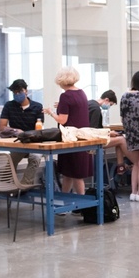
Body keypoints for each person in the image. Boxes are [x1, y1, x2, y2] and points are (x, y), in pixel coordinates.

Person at [43, 66, 93, 198]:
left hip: (69, 139)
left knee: (72, 174)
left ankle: (80, 205)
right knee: (71, 174)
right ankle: (66, 201)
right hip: (82, 137)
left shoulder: (65, 96)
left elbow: (62, 120)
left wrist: (51, 113)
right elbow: (76, 110)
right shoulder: (82, 93)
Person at [0, 78, 44, 185]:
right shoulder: (9, 106)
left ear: (26, 91)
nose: (17, 94)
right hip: (19, 142)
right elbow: (2, 127)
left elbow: (39, 129)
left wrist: (27, 134)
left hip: (34, 141)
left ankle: (24, 186)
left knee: (35, 157)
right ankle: (4, 186)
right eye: (15, 92)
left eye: (19, 91)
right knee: (12, 159)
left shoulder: (37, 107)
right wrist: (16, 131)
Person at [87, 89, 130, 181]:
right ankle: (136, 163)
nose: (108, 107)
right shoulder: (96, 109)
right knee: (121, 139)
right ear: (106, 100)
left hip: (87, 139)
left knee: (118, 140)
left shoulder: (90, 103)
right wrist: (109, 133)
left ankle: (120, 166)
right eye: (110, 104)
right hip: (92, 143)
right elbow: (93, 130)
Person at [120, 71, 139, 201]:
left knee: (135, 164)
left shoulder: (124, 96)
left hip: (130, 133)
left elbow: (122, 116)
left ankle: (133, 193)